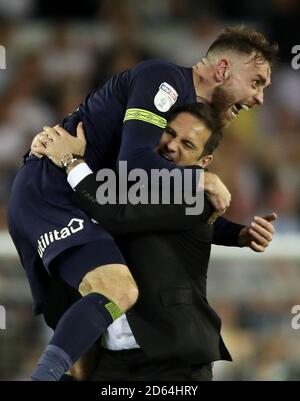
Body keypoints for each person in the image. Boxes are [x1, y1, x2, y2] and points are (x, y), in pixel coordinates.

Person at [7, 25, 278, 381]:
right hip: (53, 191)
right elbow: (133, 165)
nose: (259, 98)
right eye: (256, 82)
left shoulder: (176, 120)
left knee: (85, 353)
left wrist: (236, 234)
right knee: (118, 289)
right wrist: (199, 179)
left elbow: (160, 208)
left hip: (75, 197)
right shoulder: (163, 78)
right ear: (223, 69)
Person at [34, 103, 276, 381]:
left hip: (173, 361)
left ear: (203, 162)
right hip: (111, 358)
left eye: (187, 143)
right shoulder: (127, 184)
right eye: (169, 133)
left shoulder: (194, 198)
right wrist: (237, 234)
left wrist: (71, 162)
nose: (172, 146)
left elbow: (116, 215)